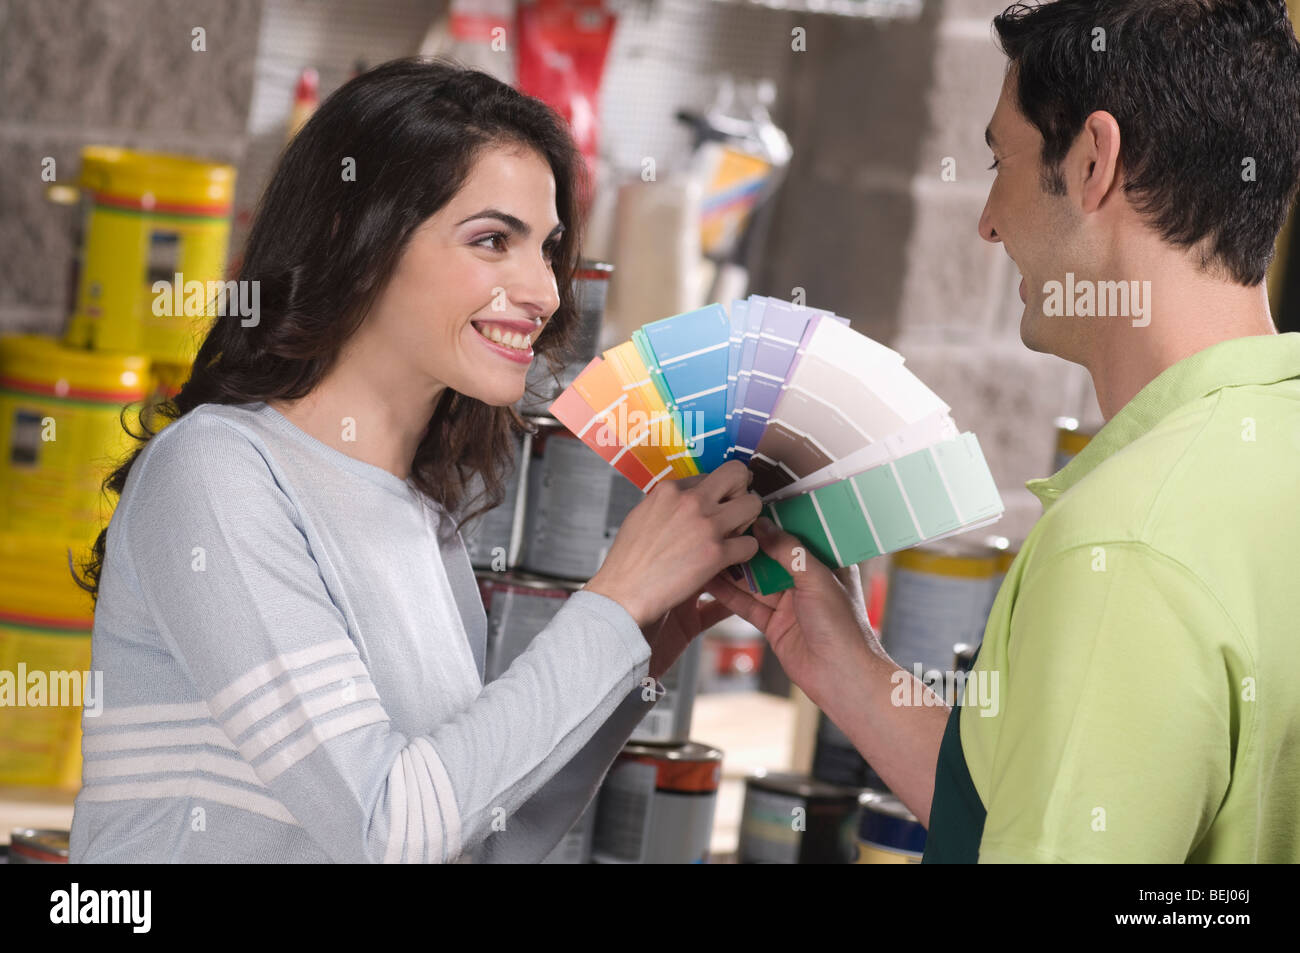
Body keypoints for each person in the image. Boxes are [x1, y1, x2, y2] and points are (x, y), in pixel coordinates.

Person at [69, 58, 762, 863]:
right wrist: (613, 601)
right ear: (354, 235)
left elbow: (485, 838)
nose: (541, 290)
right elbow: (386, 827)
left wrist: (647, 632)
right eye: (493, 239)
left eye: (549, 249)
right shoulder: (217, 474)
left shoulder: (419, 516)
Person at [707, 0, 1300, 863]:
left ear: (1094, 161)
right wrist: (854, 673)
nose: (987, 220)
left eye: (1002, 159)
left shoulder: (1127, 546)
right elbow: (1060, 807)